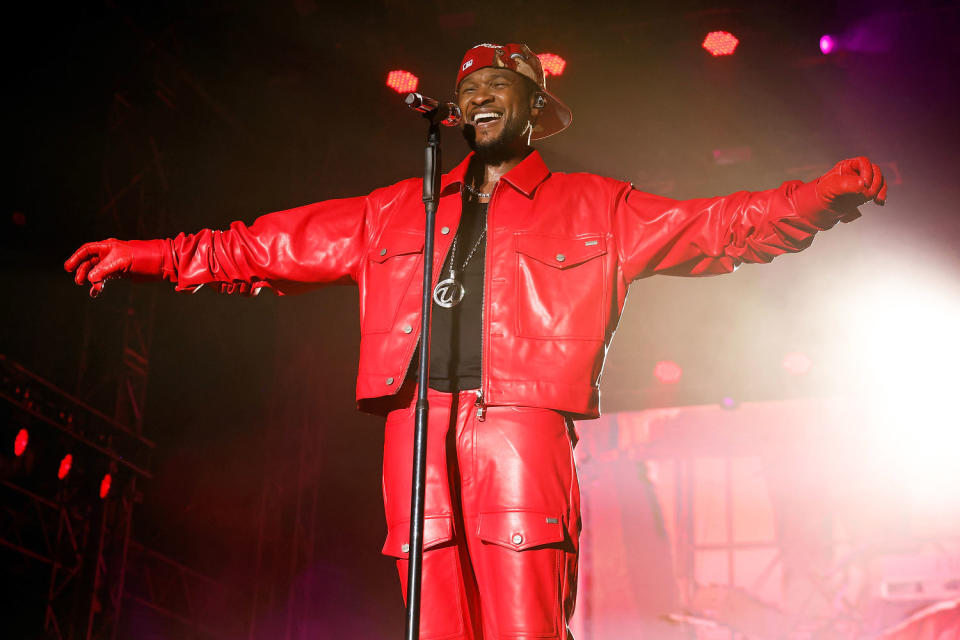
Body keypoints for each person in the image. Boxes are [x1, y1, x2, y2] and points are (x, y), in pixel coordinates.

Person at [65, 42, 887, 640]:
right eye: (472, 87)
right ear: (456, 113)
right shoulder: (396, 209)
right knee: (432, 617)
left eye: (502, 83)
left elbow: (712, 229)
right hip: (414, 424)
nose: (484, 94)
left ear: (535, 107)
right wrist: (145, 255)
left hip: (520, 423)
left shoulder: (594, 204)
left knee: (524, 616)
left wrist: (812, 198)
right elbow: (264, 246)